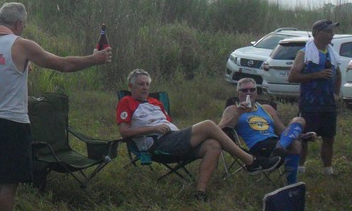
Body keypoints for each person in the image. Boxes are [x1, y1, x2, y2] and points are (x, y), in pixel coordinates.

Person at [0, 1, 113, 211]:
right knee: (8, 186)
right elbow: (63, 64)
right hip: (12, 124)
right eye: (23, 25)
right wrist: (94, 59)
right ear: (18, 24)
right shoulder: (20, 45)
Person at [117, 69, 281, 201]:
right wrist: (153, 128)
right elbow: (124, 133)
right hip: (157, 144)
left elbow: (168, 125)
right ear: (131, 86)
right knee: (208, 125)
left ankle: (200, 192)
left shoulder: (156, 103)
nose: (145, 88)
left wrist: (171, 131)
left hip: (173, 140)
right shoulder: (126, 102)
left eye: (147, 84)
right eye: (140, 84)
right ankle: (251, 161)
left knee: (213, 145)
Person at [218, 77, 310, 184]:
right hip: (258, 147)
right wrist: (238, 113)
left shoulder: (267, 108)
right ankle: (292, 184)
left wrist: (301, 135)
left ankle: (280, 147)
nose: (249, 92)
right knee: (295, 145)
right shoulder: (232, 109)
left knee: (299, 120)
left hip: (276, 141)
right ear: (238, 93)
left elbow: (282, 131)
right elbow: (221, 130)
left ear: (256, 92)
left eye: (252, 90)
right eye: (244, 90)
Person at [288, 18, 342, 174]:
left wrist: (336, 94)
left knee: (329, 138)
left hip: (328, 104)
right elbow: (292, 77)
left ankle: (328, 169)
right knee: (304, 137)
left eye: (332, 31)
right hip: (309, 104)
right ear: (317, 33)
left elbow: (338, 74)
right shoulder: (304, 53)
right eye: (328, 31)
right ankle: (300, 167)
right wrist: (316, 75)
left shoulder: (332, 53)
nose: (332, 35)